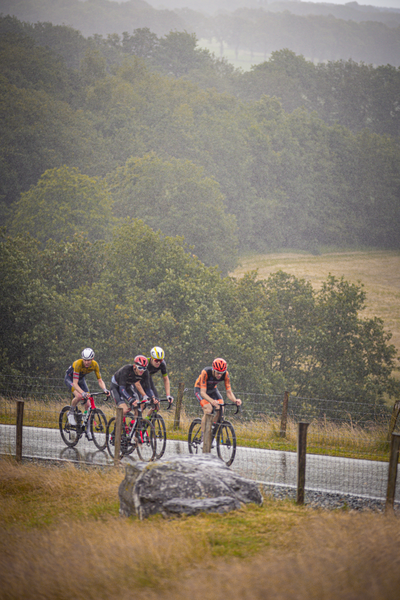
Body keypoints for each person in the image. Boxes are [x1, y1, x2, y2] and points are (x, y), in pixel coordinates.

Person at [194, 358, 242, 443]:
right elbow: (203, 393)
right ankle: (203, 435)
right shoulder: (206, 372)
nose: (219, 375)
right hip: (200, 389)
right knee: (208, 409)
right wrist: (212, 401)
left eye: (221, 373)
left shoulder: (225, 374)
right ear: (213, 370)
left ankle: (211, 428)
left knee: (221, 409)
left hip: (213, 390)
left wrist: (235, 400)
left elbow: (229, 392)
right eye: (217, 372)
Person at [64, 348, 110, 429]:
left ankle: (87, 429)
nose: (86, 362)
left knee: (88, 404)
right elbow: (75, 383)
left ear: (92, 359)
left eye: (88, 360)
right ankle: (70, 413)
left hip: (81, 380)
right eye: (84, 360)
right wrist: (83, 393)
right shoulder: (78, 364)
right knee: (79, 396)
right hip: (70, 379)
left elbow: (100, 380)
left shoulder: (95, 365)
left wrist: (105, 389)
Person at [145, 346, 174, 416]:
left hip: (148, 379)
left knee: (157, 405)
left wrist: (168, 395)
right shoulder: (145, 362)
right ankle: (135, 423)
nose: (158, 362)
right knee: (142, 404)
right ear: (151, 358)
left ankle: (145, 423)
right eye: (156, 360)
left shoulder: (162, 364)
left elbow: (166, 379)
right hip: (139, 381)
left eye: (160, 360)